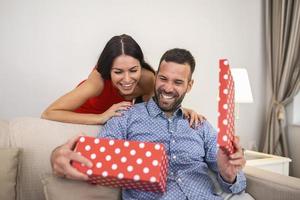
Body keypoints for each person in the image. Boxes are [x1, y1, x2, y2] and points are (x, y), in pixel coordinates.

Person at [51, 48, 246, 200]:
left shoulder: (201, 125)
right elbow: (99, 157)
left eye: (178, 82)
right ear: (155, 77)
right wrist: (58, 155)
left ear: (189, 85)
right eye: (163, 79)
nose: (168, 88)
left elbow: (237, 184)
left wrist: (229, 175)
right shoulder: (124, 117)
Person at [42, 34, 204, 126]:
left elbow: (155, 111)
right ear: (108, 69)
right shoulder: (98, 80)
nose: (127, 79)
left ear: (141, 66)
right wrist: (100, 118)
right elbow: (49, 113)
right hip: (80, 119)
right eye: (118, 71)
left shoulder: (149, 80)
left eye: (133, 70)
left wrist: (181, 111)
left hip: (113, 125)